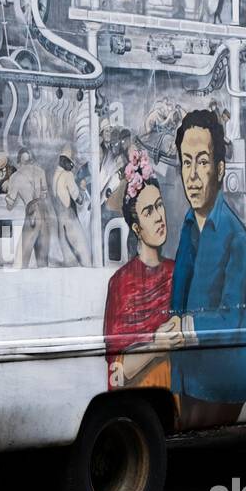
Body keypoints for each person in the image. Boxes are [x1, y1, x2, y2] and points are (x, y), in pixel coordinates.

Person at [170, 109, 246, 429]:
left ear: (219, 170)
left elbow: (230, 318)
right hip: (186, 376)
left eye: (202, 162)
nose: (191, 175)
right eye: (186, 161)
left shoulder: (234, 235)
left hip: (222, 378)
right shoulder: (188, 227)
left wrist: (183, 328)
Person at [104, 149, 183, 389]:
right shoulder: (120, 282)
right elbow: (115, 371)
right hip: (139, 396)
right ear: (136, 229)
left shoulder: (176, 272)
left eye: (159, 206)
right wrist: (156, 345)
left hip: (178, 393)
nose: (159, 217)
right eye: (149, 211)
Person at [0, 148, 57, 268]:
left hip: (32, 212)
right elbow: (44, 194)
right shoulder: (40, 171)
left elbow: (9, 206)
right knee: (43, 262)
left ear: (19, 162)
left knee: (22, 260)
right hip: (45, 212)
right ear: (31, 160)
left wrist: (7, 189)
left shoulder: (15, 177)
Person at [52, 146, 92, 267]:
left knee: (69, 259)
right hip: (69, 217)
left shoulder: (55, 175)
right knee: (83, 251)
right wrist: (83, 191)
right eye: (70, 162)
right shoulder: (67, 175)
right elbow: (77, 198)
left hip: (60, 220)